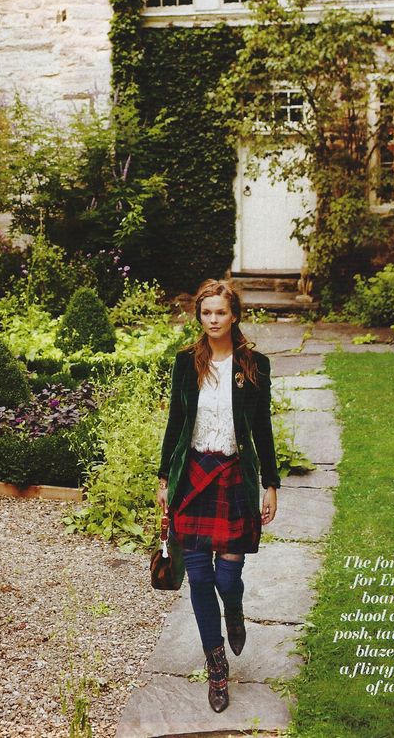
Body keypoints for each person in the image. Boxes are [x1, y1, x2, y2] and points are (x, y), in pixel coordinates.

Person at [156, 278, 280, 713]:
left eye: (220, 313)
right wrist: (162, 479)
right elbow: (175, 423)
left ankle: (236, 612)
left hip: (233, 477)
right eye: (206, 313)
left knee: (227, 579)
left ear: (234, 315)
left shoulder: (254, 365)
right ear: (199, 316)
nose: (213, 320)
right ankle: (216, 667)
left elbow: (262, 429)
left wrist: (271, 483)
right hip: (191, 477)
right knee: (200, 578)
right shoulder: (185, 364)